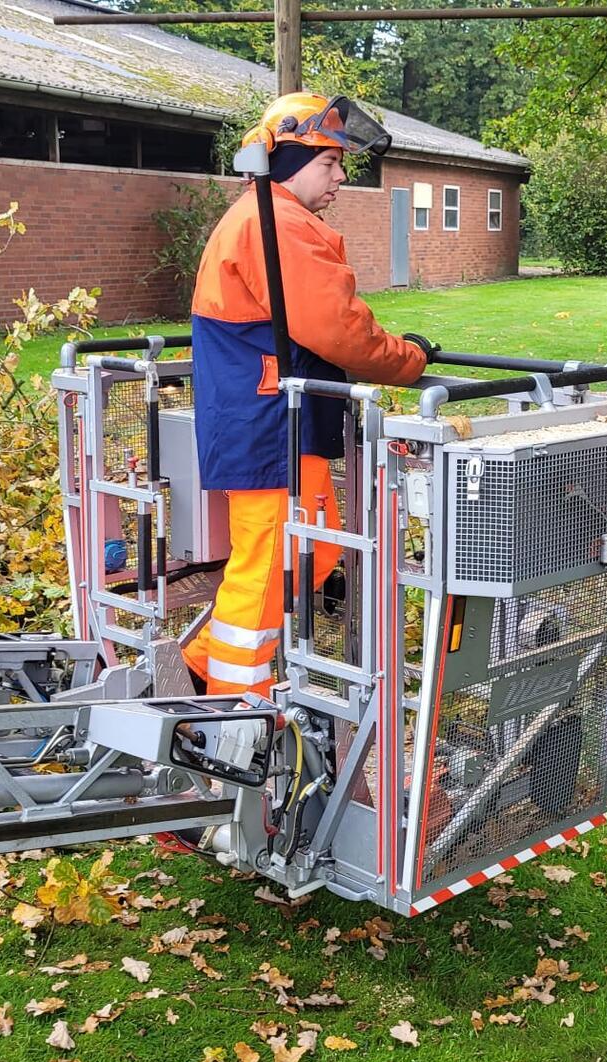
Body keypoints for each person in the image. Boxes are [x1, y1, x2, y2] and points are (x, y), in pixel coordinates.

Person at [180, 92, 431, 698]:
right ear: (288, 160)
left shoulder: (269, 218)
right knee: (267, 569)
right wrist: (409, 358)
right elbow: (339, 329)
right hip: (270, 427)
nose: (341, 176)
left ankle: (198, 667)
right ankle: (233, 713)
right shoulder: (277, 224)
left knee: (311, 556)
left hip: (279, 423)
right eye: (329, 162)